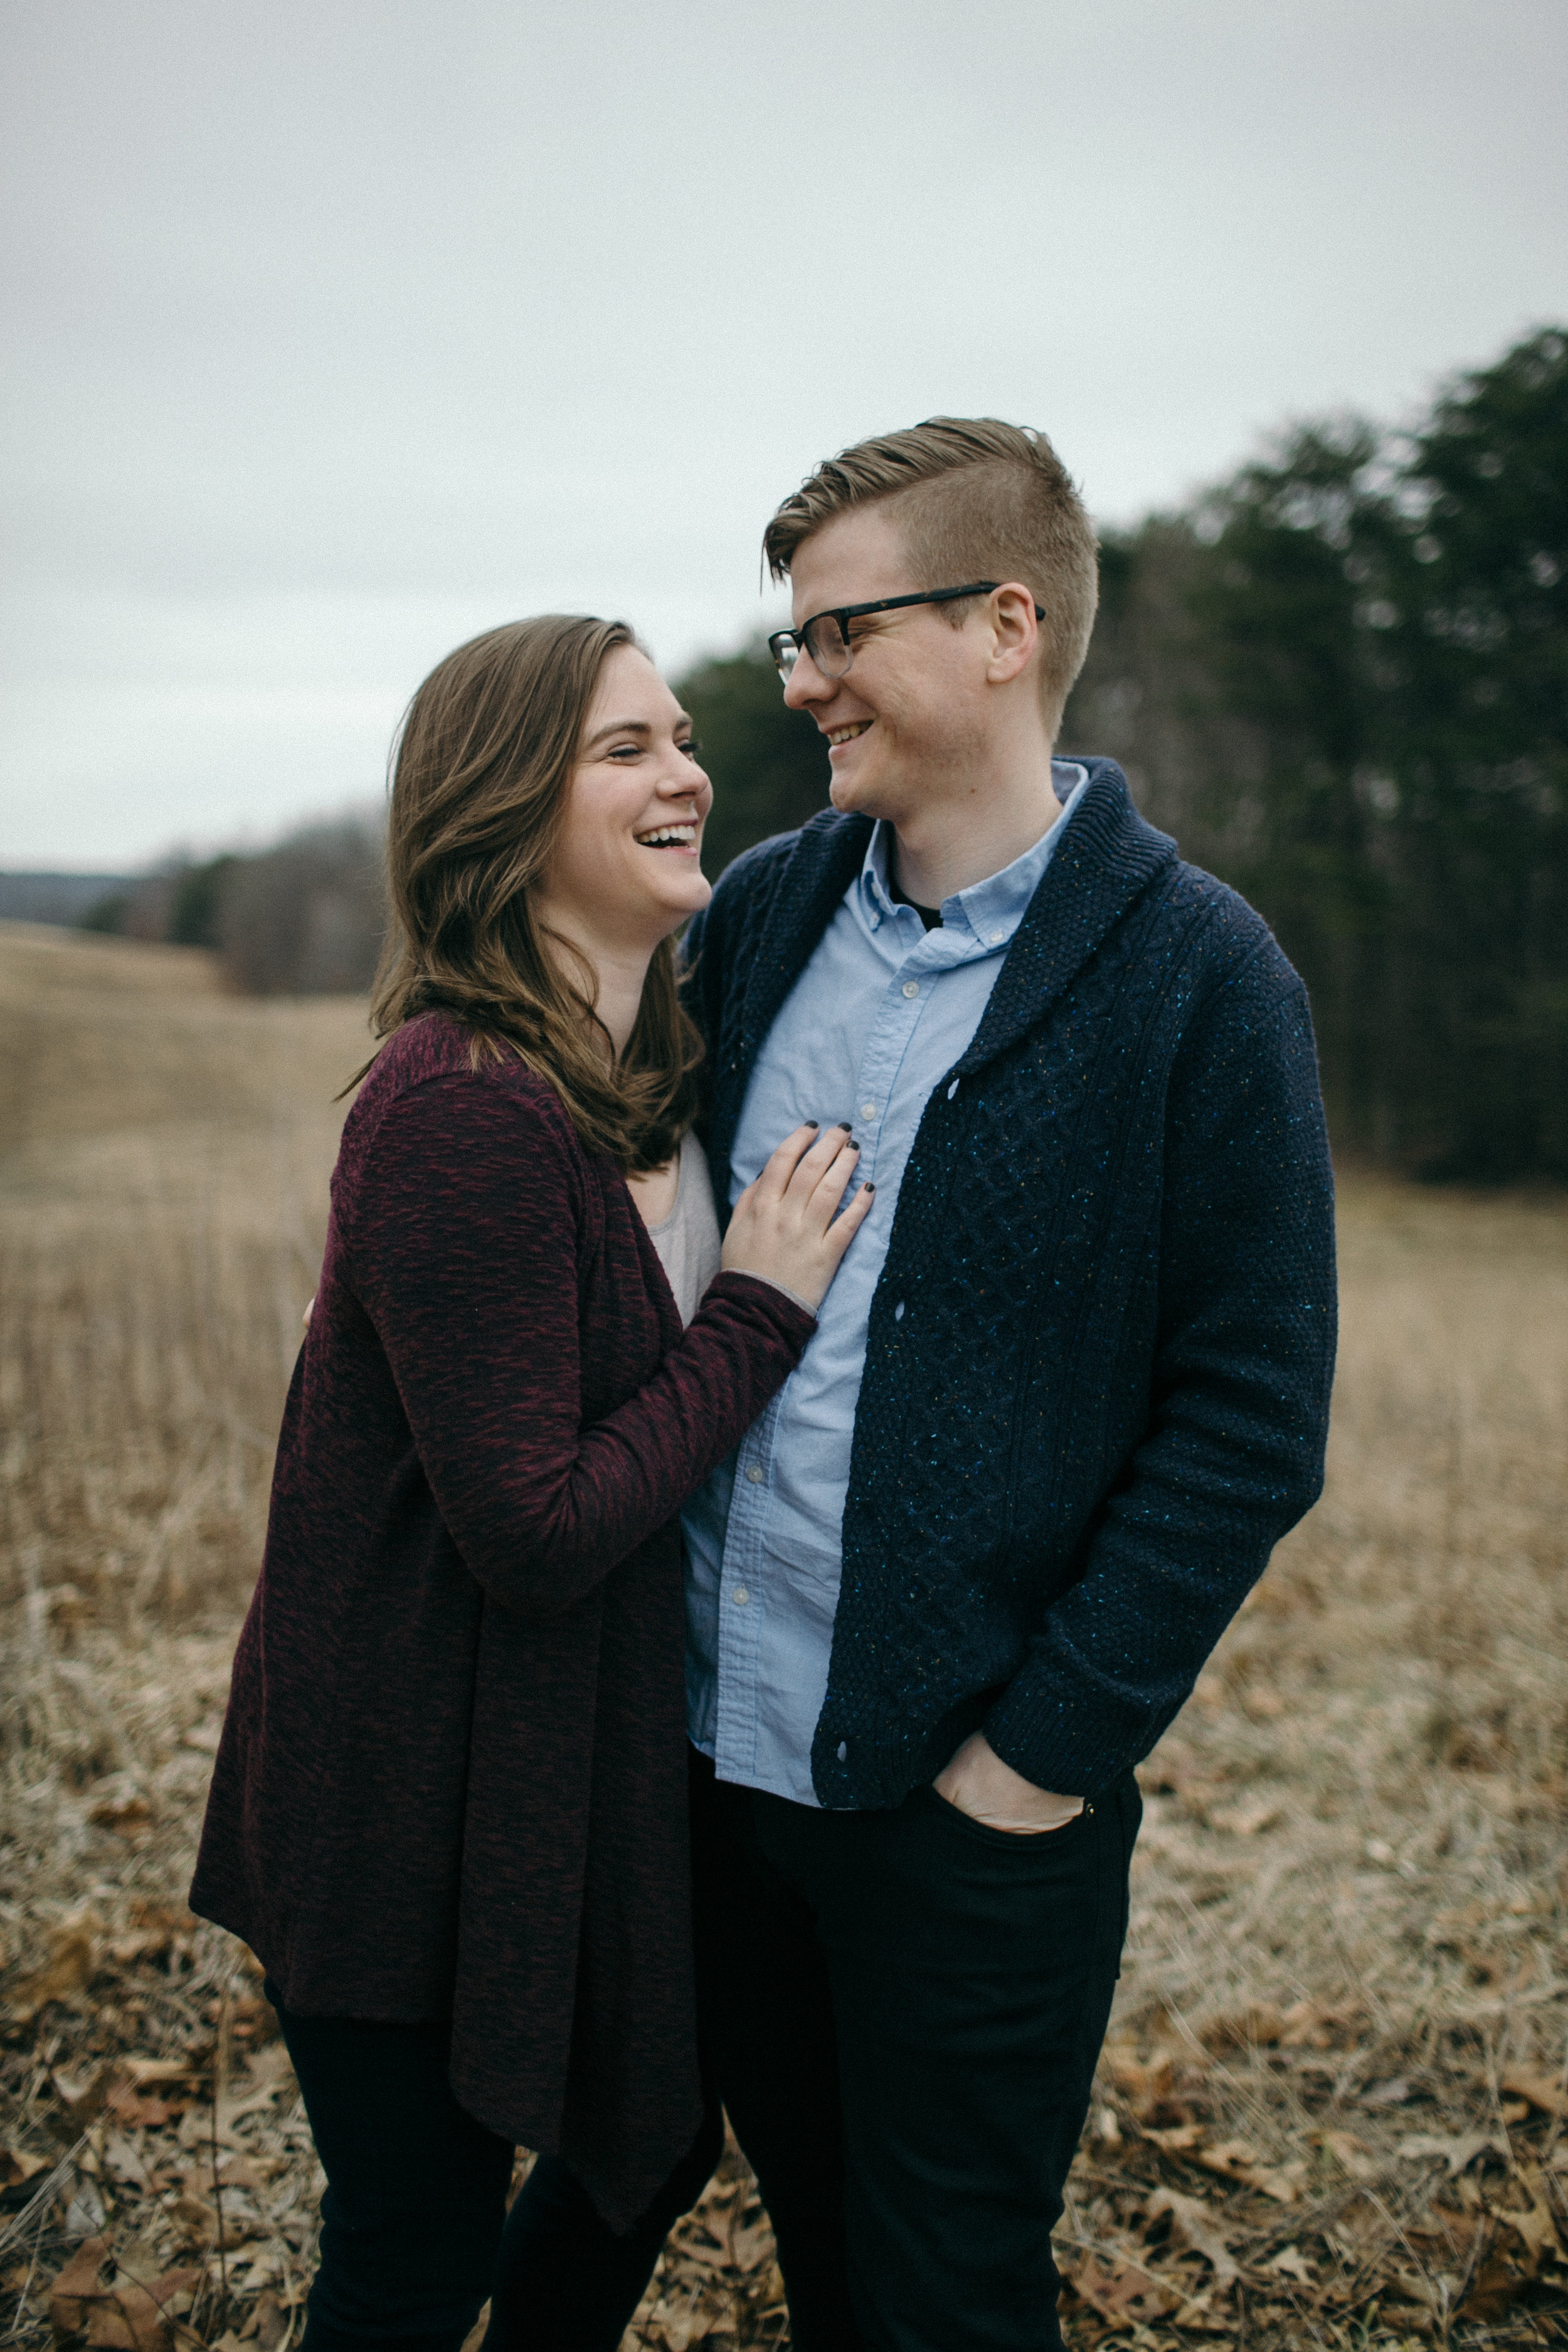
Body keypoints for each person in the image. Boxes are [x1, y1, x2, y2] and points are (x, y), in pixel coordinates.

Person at [679, 419, 1338, 2352]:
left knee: (948, 2301)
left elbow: (1248, 1419)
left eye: (837, 633)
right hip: (714, 1774)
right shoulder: (761, 918)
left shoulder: (1201, 977)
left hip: (967, 1816)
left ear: (1003, 624)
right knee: (818, 2269)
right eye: (790, 640)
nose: (795, 683)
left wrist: (1031, 1763)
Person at [189, 613, 874, 2352]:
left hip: (562, 1780)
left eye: (683, 736)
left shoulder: (647, 1082)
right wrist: (757, 1314)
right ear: (505, 811)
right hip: (399, 1800)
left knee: (641, 2156)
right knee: (411, 2258)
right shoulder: (458, 1109)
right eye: (624, 748)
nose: (688, 773)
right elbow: (535, 1526)